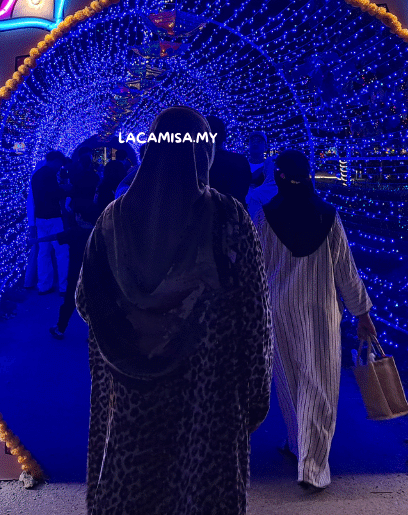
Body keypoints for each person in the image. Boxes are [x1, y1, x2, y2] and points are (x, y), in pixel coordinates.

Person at [76, 107, 272, 515]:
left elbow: (84, 301)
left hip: (129, 398)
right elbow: (254, 315)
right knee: (200, 494)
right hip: (207, 398)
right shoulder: (228, 217)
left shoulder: (112, 220)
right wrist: (255, 396)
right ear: (204, 154)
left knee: (130, 492)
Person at [252, 150, 376, 492]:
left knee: (289, 383)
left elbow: (255, 269)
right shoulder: (328, 217)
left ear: (277, 177)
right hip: (319, 311)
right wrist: (362, 314)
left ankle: (297, 446)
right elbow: (346, 273)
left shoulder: (264, 217)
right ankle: (313, 465)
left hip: (277, 312)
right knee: (319, 386)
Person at [49, 147, 101, 339]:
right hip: (95, 272)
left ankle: (60, 328)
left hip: (76, 272)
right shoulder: (100, 231)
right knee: (96, 301)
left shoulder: (74, 232)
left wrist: (36, 238)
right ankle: (96, 334)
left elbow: (56, 237)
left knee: (71, 298)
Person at [30, 150, 69, 294]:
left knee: (43, 252)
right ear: (56, 160)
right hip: (53, 217)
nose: (60, 167)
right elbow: (54, 195)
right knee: (62, 252)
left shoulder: (36, 175)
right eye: (60, 164)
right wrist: (65, 190)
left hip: (40, 217)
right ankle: (64, 287)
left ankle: (44, 285)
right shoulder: (49, 174)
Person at [206, 115, 252, 205]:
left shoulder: (200, 164)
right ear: (224, 136)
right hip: (238, 215)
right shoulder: (241, 161)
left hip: (207, 216)